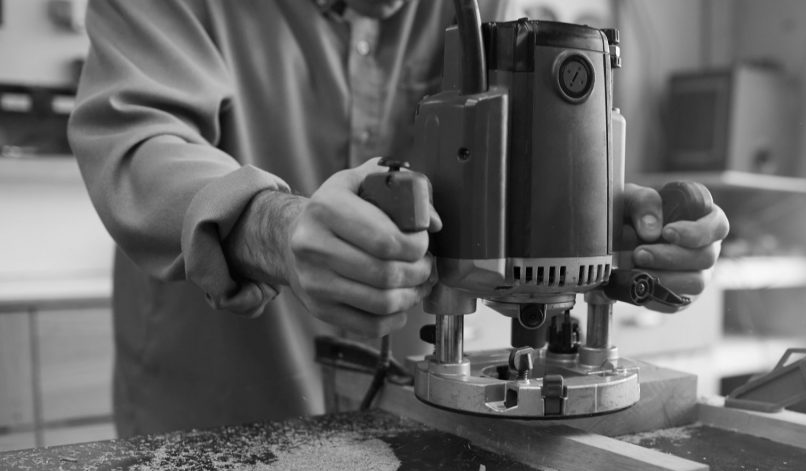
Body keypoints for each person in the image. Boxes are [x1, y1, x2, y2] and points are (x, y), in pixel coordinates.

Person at [69, 0, 730, 438]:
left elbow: (489, 196)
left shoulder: (488, 8)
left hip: (417, 423)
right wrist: (271, 227)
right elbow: (136, 143)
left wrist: (599, 236)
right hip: (217, 417)